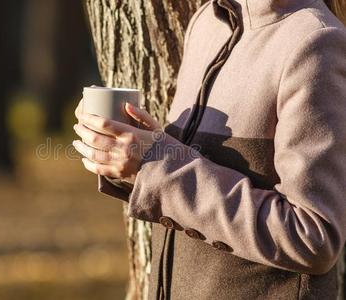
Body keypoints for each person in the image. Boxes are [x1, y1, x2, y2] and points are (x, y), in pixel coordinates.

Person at [73, 0, 346, 298]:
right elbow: (192, 183)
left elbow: (312, 237)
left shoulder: (316, 42)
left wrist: (157, 166)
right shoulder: (207, 22)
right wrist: (132, 154)